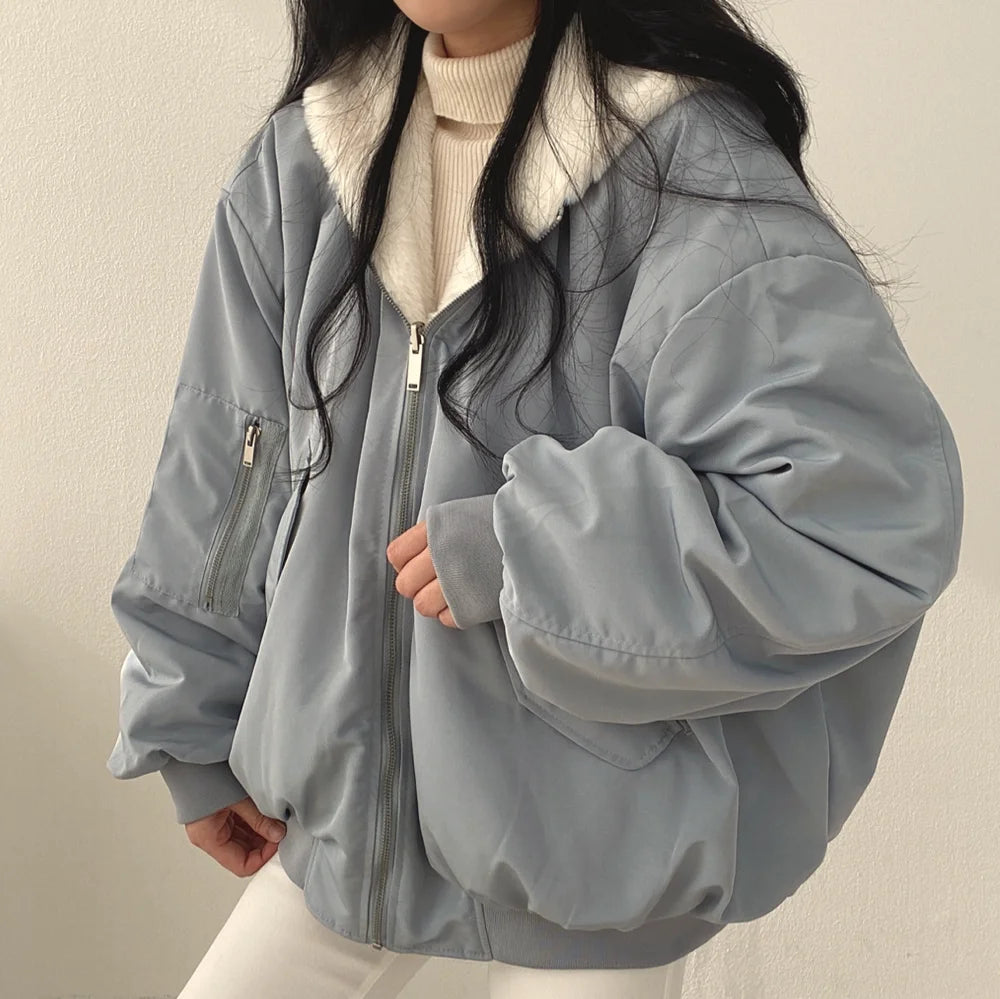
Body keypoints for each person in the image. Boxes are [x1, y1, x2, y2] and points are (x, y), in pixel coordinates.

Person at [105, 0, 964, 996]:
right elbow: (225, 466)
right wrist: (191, 726)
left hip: (598, 849)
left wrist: (530, 554)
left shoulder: (684, 168)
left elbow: (853, 514)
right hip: (343, 824)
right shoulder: (305, 164)